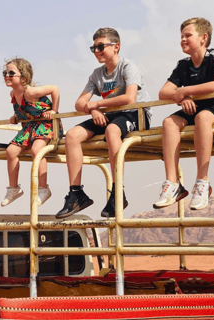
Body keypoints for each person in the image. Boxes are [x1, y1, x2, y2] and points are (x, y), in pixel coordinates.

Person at [56, 27, 151, 219]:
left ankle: (117, 191)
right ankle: (76, 193)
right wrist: (94, 109)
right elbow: (79, 103)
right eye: (93, 48)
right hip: (109, 115)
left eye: (100, 46)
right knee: (73, 135)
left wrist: (97, 104)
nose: (97, 51)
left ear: (116, 46)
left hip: (135, 114)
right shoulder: (97, 74)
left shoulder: (128, 67)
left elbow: (130, 98)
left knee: (112, 130)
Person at [154, 17, 214, 211]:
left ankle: (202, 182)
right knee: (169, 122)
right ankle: (172, 184)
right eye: (181, 36)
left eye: (188, 35)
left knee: (203, 117)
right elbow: (163, 92)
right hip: (197, 106)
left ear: (203, 38)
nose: (183, 39)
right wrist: (183, 96)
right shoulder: (183, 64)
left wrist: (187, 91)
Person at [1, 57, 60, 207]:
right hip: (30, 126)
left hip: (45, 124)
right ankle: (14, 188)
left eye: (11, 73)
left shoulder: (31, 92)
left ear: (24, 77)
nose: (6, 76)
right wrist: (16, 117)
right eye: (5, 73)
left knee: (36, 150)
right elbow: (24, 111)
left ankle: (43, 188)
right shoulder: (13, 95)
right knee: (11, 151)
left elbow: (55, 89)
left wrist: (53, 110)